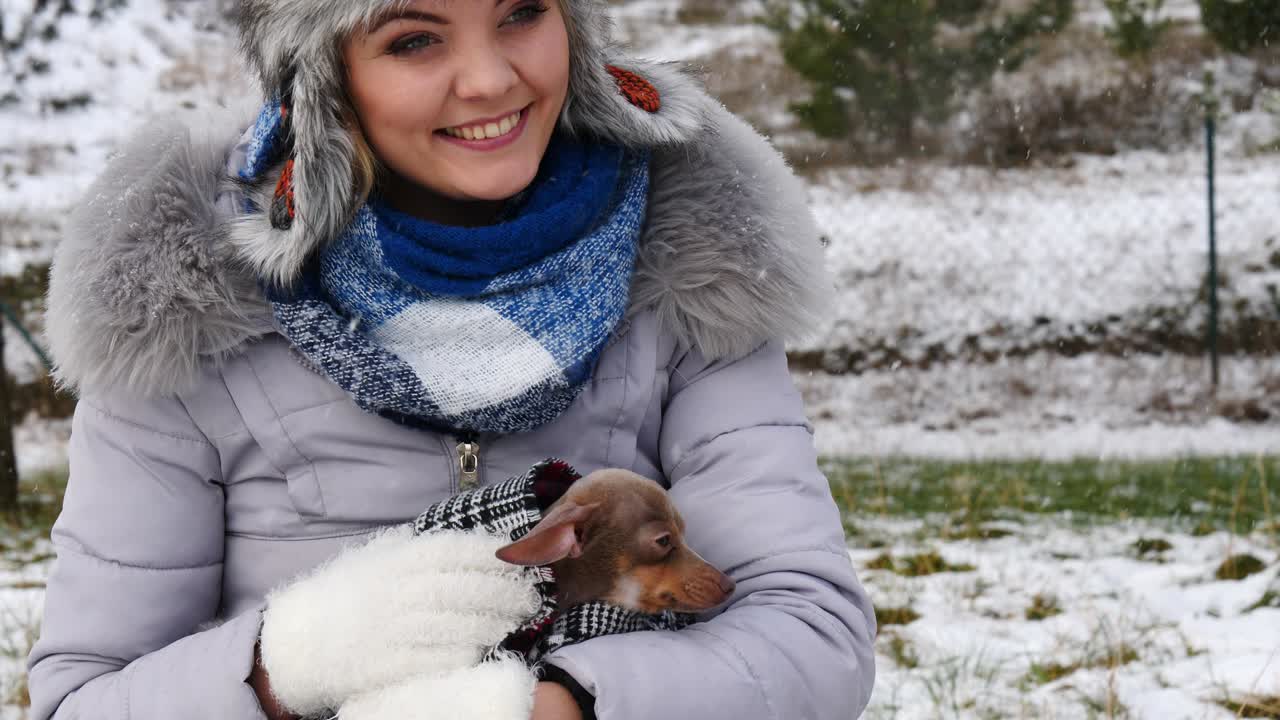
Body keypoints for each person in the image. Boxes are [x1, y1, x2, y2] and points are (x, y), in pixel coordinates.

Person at [28, 0, 877, 718]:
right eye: (413, 39)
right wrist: (286, 660)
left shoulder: (690, 269)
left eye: (521, 13)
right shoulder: (183, 303)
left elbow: (810, 633)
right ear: (325, 74)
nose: (491, 79)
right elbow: (82, 698)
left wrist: (559, 704)